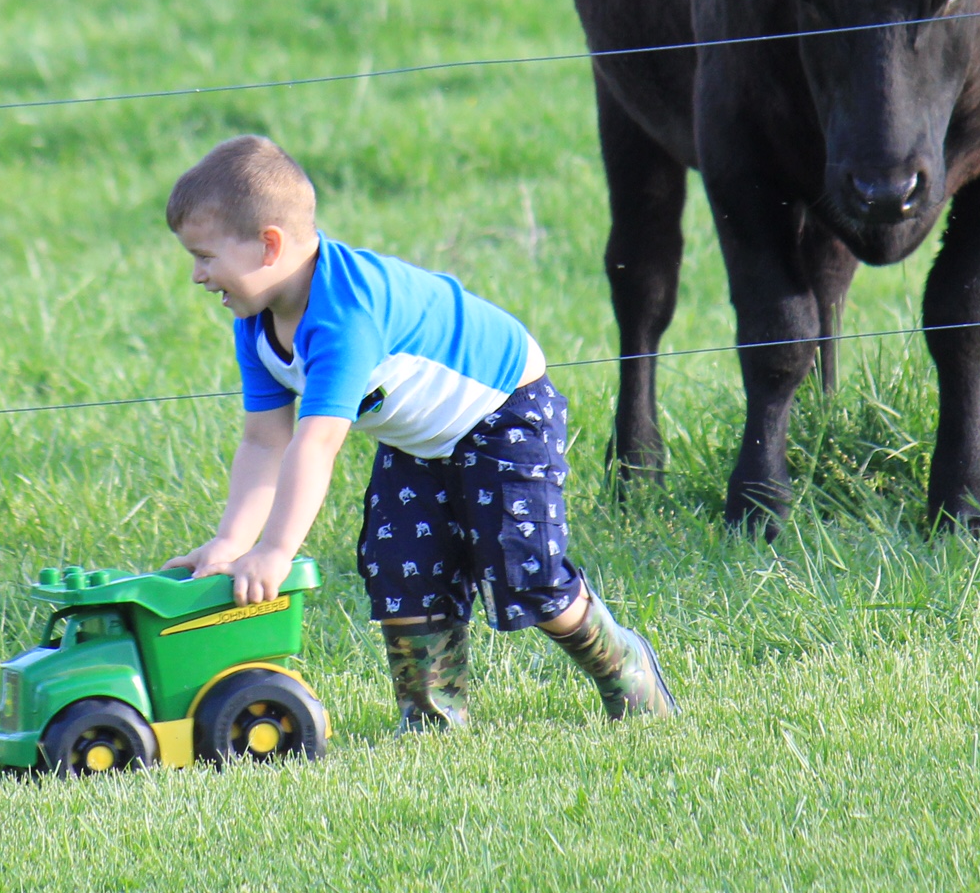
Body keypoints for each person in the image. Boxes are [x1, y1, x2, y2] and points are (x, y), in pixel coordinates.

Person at [164, 134, 678, 730]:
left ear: (268, 245)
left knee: (527, 573)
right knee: (401, 562)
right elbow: (265, 441)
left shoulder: (345, 314)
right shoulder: (255, 322)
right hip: (421, 436)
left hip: (502, 408)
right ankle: (434, 718)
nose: (198, 275)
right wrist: (233, 540)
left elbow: (317, 442)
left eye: (204, 256)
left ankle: (624, 664)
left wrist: (276, 551)